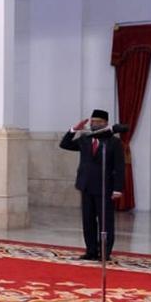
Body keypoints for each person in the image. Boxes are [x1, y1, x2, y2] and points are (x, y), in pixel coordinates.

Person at [59, 109, 125, 260]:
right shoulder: (85, 138)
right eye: (93, 122)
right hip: (86, 185)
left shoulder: (114, 142)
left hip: (104, 187)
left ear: (106, 124)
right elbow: (64, 144)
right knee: (88, 221)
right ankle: (91, 251)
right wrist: (74, 129)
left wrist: (118, 188)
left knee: (105, 222)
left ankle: (104, 252)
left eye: (99, 122)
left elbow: (119, 167)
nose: (95, 124)